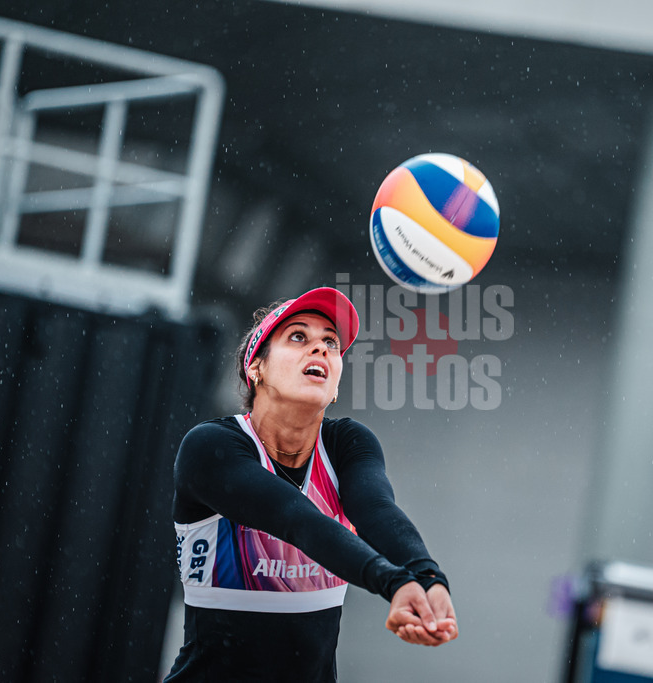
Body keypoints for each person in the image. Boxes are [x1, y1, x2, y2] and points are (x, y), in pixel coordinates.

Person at [165, 286, 457, 682]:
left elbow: (377, 512)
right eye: (298, 337)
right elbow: (296, 519)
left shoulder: (347, 443)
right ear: (256, 368)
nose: (320, 348)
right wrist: (395, 582)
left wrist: (429, 580)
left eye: (331, 343)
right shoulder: (210, 447)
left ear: (335, 385)